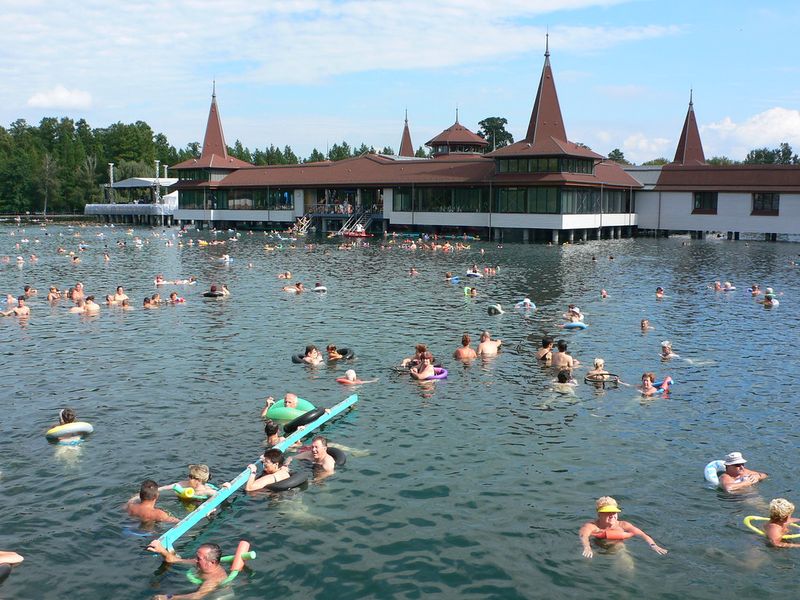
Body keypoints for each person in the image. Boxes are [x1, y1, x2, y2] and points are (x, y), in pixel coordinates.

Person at [579, 496, 668, 559]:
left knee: (622, 551)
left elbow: (642, 534)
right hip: (595, 545)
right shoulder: (592, 526)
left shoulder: (623, 525)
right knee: (586, 560)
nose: (612, 515)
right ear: (599, 514)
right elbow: (584, 536)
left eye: (614, 512)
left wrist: (653, 545)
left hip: (616, 546)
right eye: (607, 513)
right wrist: (587, 547)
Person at [147, 539, 230, 600]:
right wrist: (161, 550)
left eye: (199, 558)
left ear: (212, 562)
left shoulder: (214, 579)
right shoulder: (201, 563)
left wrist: (167, 598)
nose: (195, 560)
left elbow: (196, 597)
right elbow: (173, 559)